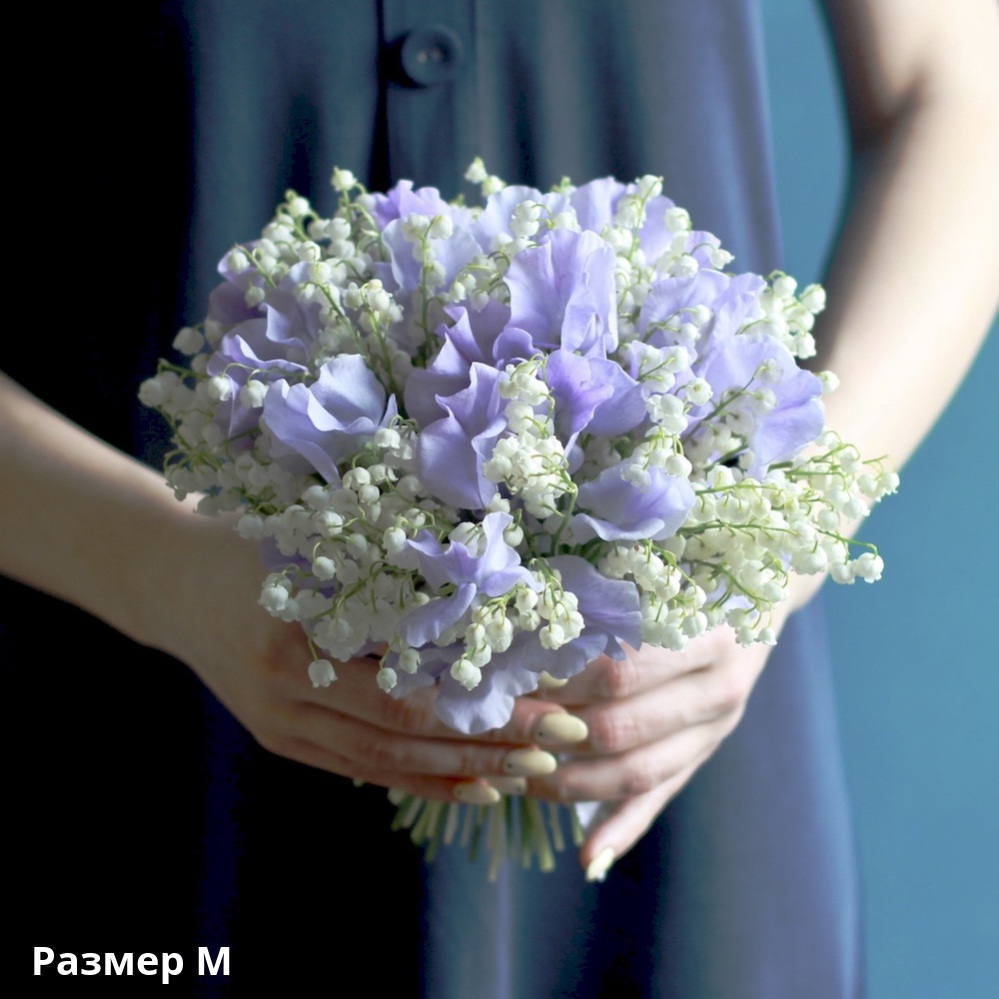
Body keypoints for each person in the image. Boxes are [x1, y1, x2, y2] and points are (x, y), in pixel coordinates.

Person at [4, 1, 997, 994]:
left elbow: (958, 89)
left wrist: (759, 559)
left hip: (671, 729)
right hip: (133, 737)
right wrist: (159, 571)